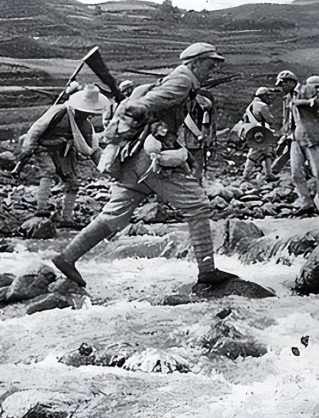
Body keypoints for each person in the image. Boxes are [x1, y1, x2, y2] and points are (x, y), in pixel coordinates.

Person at [52, 42, 238, 288]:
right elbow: (146, 104)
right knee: (198, 206)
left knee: (115, 213)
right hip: (151, 157)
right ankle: (207, 271)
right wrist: (139, 109)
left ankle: (67, 257)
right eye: (210, 63)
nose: (214, 69)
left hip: (135, 156)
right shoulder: (182, 81)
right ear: (195, 62)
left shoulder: (180, 80)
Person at [13, 84, 109, 227]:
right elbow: (35, 130)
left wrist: (106, 167)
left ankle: (67, 218)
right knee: (49, 171)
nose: (88, 115)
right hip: (43, 148)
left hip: (64, 151)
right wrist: (27, 151)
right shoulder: (59, 112)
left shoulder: (84, 125)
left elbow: (92, 149)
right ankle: (41, 208)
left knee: (73, 183)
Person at [276, 69, 319, 216]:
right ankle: (306, 203)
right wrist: (283, 138)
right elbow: (289, 120)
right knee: (295, 172)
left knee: (318, 172)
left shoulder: (307, 89)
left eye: (282, 84)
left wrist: (302, 102)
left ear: (291, 82)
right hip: (295, 137)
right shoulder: (287, 98)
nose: (281, 87)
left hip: (313, 136)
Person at [240, 87, 277, 182]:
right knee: (254, 153)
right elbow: (270, 120)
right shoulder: (262, 106)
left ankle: (269, 174)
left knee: (267, 152)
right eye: (267, 96)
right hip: (261, 132)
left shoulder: (251, 105)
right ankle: (245, 175)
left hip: (252, 131)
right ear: (263, 96)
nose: (268, 98)